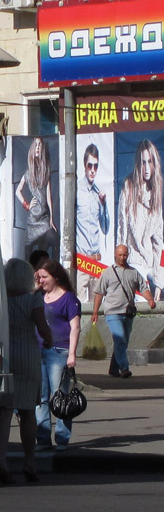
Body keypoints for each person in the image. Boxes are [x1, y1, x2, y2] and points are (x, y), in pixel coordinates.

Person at [0, 258, 54, 484]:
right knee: (28, 412)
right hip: (28, 354)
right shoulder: (33, 300)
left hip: (5, 355)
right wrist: (49, 340)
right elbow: (42, 328)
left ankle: (1, 461)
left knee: (5, 412)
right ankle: (29, 461)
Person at [34, 259, 81, 451]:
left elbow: (75, 327)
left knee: (59, 397)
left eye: (45, 277)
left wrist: (72, 354)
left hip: (59, 352)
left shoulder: (69, 298)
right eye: (39, 277)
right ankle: (43, 440)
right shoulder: (37, 296)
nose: (41, 281)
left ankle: (62, 439)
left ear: (56, 277)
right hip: (39, 351)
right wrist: (35, 287)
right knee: (40, 399)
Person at [91, 244, 157, 378]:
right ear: (115, 255)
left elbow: (143, 288)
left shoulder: (133, 272)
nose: (122, 257)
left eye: (125, 255)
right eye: (120, 255)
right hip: (112, 313)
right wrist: (95, 312)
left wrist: (150, 300)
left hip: (128, 313)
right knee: (120, 339)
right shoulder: (108, 273)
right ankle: (124, 368)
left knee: (123, 342)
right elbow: (99, 293)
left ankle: (113, 369)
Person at [117, 139, 164, 303]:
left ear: (154, 163)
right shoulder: (128, 187)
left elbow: (159, 244)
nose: (146, 167)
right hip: (133, 262)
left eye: (149, 162)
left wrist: (159, 282)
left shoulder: (156, 192)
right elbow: (121, 231)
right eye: (143, 162)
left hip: (150, 263)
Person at [76, 144, 110, 302]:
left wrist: (104, 205)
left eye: (95, 166)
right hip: (82, 259)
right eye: (90, 165)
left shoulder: (98, 192)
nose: (92, 170)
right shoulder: (76, 189)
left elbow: (105, 228)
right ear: (84, 165)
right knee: (81, 309)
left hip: (95, 260)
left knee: (96, 310)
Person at [16, 137, 57, 261]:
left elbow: (49, 195)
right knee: (28, 253)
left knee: (53, 239)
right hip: (33, 218)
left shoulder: (46, 171)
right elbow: (18, 191)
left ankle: (47, 269)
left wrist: (51, 219)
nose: (38, 148)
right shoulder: (29, 173)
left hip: (44, 218)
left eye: (40, 145)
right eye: (36, 145)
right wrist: (26, 204)